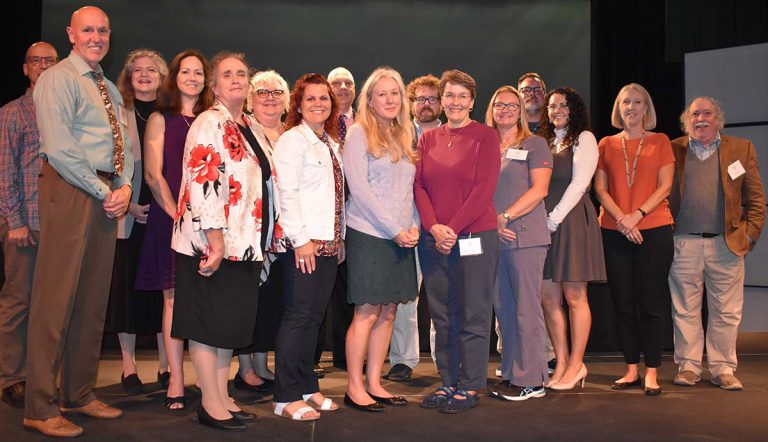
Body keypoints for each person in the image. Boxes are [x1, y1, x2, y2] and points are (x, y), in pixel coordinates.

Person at [25, 6, 131, 437]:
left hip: (104, 193)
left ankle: (79, 392)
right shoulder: (58, 79)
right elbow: (60, 147)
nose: (96, 36)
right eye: (88, 29)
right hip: (72, 190)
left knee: (91, 300)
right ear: (71, 34)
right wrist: (105, 191)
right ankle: (39, 405)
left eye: (102, 30)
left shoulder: (107, 86)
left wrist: (123, 187)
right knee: (55, 300)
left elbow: (120, 141)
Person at [171, 52, 277, 431]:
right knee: (206, 324)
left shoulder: (247, 124)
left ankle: (222, 396)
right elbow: (203, 180)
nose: (235, 79)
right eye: (226, 74)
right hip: (210, 242)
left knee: (225, 325)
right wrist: (214, 240)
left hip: (244, 243)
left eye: (241, 73)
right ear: (213, 85)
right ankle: (210, 403)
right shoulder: (208, 122)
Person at [414, 69, 500, 414]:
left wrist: (452, 229)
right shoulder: (428, 139)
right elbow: (418, 186)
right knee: (443, 314)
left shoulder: (486, 137)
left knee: (474, 312)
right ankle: (448, 380)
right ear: (441, 101)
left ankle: (470, 385)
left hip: (475, 237)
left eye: (462, 96)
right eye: (449, 95)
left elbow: (484, 189)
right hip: (434, 239)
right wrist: (435, 227)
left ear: (472, 101)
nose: (455, 102)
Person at [669, 97, 765, 391]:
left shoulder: (741, 148)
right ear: (687, 121)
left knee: (727, 310)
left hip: (727, 244)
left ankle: (723, 368)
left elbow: (757, 199)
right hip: (682, 243)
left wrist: (749, 234)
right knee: (685, 309)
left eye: (707, 113)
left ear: (717, 119)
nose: (701, 118)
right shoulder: (674, 149)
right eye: (694, 114)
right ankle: (688, 366)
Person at [138, 49, 211, 410]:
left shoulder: (212, 120)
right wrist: (178, 215)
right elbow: (153, 175)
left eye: (199, 72)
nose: (193, 77)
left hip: (208, 223)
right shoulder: (160, 118)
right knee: (172, 298)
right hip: (171, 220)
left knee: (201, 298)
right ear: (175, 76)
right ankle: (176, 381)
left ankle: (205, 376)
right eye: (186, 71)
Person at [343, 67, 418, 412]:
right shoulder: (358, 133)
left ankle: (375, 382)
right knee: (368, 311)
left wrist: (413, 225)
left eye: (395, 93)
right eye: (382, 94)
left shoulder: (404, 134)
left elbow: (409, 190)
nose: (390, 99)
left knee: (388, 311)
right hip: (371, 235)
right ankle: (355, 386)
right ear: (369, 101)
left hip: (401, 237)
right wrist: (395, 229)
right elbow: (359, 190)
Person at [272, 73, 344, 421]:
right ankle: (285, 396)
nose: (318, 103)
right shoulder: (292, 141)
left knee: (313, 319)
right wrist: (300, 242)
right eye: (310, 98)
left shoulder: (329, 141)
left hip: (329, 245)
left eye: (324, 98)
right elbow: (286, 193)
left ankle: (306, 386)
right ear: (297, 105)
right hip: (303, 246)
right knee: (299, 317)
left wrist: (338, 238)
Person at [594, 83, 675, 396]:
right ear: (619, 107)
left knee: (652, 303)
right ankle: (630, 369)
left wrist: (636, 215)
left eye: (637, 102)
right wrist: (622, 220)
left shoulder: (661, 141)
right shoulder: (606, 144)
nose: (631, 107)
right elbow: (600, 189)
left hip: (653, 229)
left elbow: (665, 187)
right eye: (626, 101)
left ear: (647, 108)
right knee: (623, 304)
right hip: (614, 231)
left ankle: (652, 371)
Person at [106, 48, 168, 394]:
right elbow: (107, 163)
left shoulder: (169, 114)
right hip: (127, 215)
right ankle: (128, 366)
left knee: (164, 290)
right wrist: (127, 205)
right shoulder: (115, 113)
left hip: (163, 214)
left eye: (152, 70)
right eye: (137, 70)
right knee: (126, 291)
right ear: (128, 78)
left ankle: (165, 364)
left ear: (162, 77)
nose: (144, 75)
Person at [0, 41, 58, 409]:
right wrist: (15, 221)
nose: (42, 66)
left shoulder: (65, 113)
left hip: (61, 227)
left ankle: (44, 376)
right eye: (35, 61)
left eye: (49, 61)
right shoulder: (12, 113)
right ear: (25, 69)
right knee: (18, 302)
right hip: (27, 226)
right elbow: (5, 172)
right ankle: (12, 377)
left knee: (50, 307)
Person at [485, 86, 552, 401]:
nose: (506, 109)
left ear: (522, 110)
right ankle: (513, 372)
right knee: (506, 310)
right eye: (500, 104)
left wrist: (505, 216)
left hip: (524, 237)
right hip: (495, 237)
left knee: (526, 308)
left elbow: (540, 190)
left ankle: (533, 379)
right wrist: (492, 222)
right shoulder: (486, 146)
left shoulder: (535, 144)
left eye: (512, 105)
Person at [538, 87, 605, 391]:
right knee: (549, 298)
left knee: (575, 297)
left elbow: (580, 185)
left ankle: (577, 364)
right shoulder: (545, 142)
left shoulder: (584, 139)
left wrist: (552, 219)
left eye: (563, 105)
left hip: (571, 222)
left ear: (574, 108)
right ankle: (562, 362)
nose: (557, 110)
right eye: (552, 106)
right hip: (547, 225)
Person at [234, 69, 290, 392]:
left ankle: (261, 362)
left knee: (271, 300)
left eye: (276, 92)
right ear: (251, 100)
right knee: (250, 297)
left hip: (284, 234)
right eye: (262, 92)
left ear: (285, 101)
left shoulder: (291, 134)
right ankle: (245, 368)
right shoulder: (243, 130)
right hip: (252, 228)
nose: (269, 98)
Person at [386, 73, 442, 382]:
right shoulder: (398, 134)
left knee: (441, 296)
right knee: (406, 296)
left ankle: (442, 356)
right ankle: (403, 360)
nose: (426, 104)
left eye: (433, 98)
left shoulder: (451, 136)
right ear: (411, 102)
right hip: (407, 226)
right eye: (420, 98)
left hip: (442, 227)